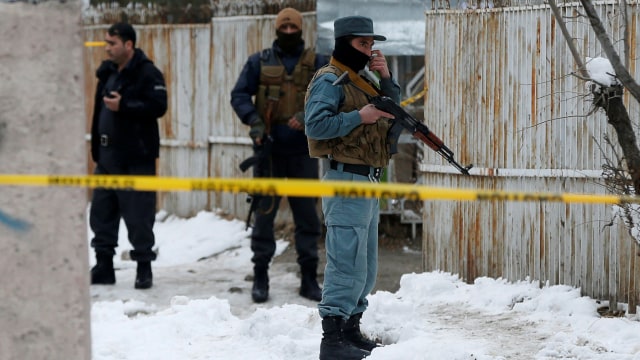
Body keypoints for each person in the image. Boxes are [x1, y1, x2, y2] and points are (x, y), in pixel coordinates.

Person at [304, 16, 401, 359]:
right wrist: (360, 117)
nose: (369, 50)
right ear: (344, 43)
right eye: (362, 45)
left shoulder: (365, 80)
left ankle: (350, 329)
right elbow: (315, 125)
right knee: (346, 261)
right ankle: (332, 341)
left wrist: (386, 78)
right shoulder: (330, 80)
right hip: (346, 178)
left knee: (365, 264)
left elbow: (394, 111)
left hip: (368, 180)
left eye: (371, 45)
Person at [230, 8, 327, 303]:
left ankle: (308, 278)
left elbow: (334, 93)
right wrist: (255, 122)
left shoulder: (317, 63)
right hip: (269, 151)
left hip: (303, 151)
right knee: (263, 216)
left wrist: (306, 115)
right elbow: (239, 96)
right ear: (276, 30)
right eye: (282, 28)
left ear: (300, 30)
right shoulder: (259, 62)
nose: (287, 33)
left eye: (292, 29)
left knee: (307, 218)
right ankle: (260, 276)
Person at [89, 22, 168, 290]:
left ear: (128, 45)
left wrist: (125, 105)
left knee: (139, 216)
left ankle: (143, 268)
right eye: (106, 43)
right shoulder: (109, 73)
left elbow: (159, 106)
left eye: (112, 43)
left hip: (136, 157)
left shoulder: (147, 73)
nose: (107, 48)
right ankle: (104, 266)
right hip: (107, 158)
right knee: (101, 214)